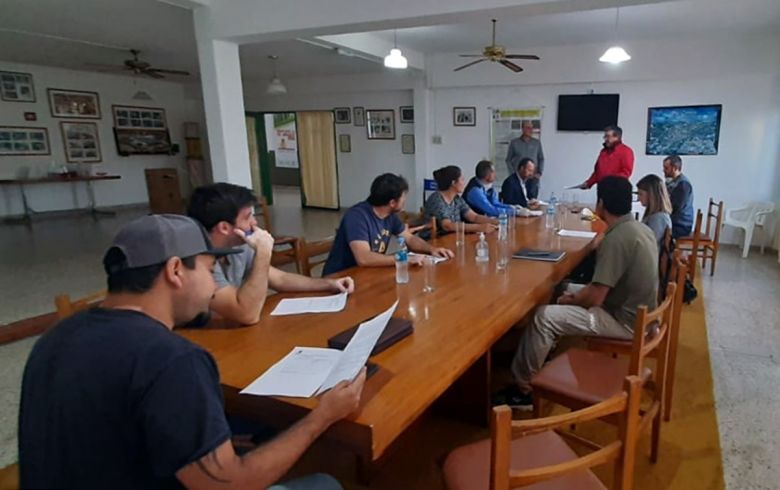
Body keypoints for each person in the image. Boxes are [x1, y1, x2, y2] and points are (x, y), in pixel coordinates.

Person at [19, 214, 362, 489]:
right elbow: (230, 483)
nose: (214, 286)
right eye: (210, 271)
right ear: (175, 271)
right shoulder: (172, 359)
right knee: (325, 481)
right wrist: (322, 416)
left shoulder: (57, 336)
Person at [501, 176, 658, 409]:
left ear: (601, 204)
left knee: (544, 317)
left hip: (623, 321)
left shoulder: (616, 239)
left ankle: (524, 389)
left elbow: (596, 297)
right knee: (561, 286)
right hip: (640, 314)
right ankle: (543, 348)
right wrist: (570, 296)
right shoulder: (638, 228)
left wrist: (572, 300)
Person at [188, 183, 354, 325]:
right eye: (247, 217)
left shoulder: (237, 245)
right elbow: (247, 314)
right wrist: (263, 252)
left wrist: (329, 284)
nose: (254, 222)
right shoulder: (197, 260)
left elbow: (280, 279)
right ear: (224, 227)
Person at [322, 173, 454, 276]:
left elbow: (410, 238)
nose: (405, 200)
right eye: (403, 197)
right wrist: (405, 259)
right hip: (342, 277)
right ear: (392, 202)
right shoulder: (357, 217)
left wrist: (431, 250)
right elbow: (364, 258)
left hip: (369, 273)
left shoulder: (390, 216)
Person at [424, 165, 498, 234]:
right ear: (453, 183)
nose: (464, 183)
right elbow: (447, 226)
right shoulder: (436, 199)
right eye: (462, 180)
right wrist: (478, 227)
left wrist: (495, 222)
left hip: (453, 238)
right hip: (435, 241)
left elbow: (474, 217)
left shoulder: (457, 199)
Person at [636, 174, 673, 248]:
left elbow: (649, 244)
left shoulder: (659, 218)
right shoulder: (654, 215)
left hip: (650, 257)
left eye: (640, 194)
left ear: (652, 195)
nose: (638, 198)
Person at [662, 155, 695, 238]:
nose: (663, 170)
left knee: (655, 230)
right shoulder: (672, 182)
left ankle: (663, 250)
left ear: (674, 168)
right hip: (675, 221)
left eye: (666, 168)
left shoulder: (683, 185)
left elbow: (674, 208)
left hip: (681, 225)